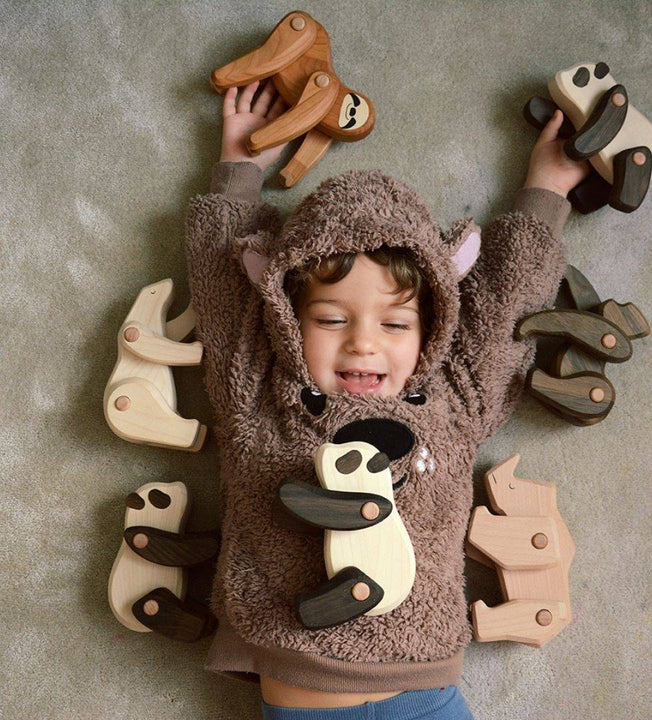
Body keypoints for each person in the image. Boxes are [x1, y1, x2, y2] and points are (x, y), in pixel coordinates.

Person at [185, 79, 589, 719]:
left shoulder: (451, 402)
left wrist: (546, 193)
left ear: (430, 332)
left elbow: (506, 305)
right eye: (331, 320)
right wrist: (238, 175)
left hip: (425, 696)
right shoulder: (260, 392)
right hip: (301, 693)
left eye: (395, 325)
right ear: (288, 321)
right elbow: (221, 289)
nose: (364, 346)